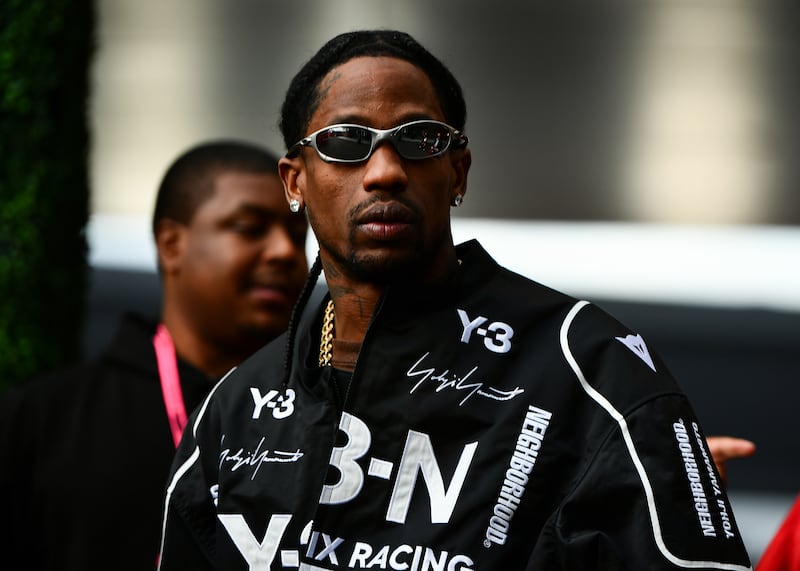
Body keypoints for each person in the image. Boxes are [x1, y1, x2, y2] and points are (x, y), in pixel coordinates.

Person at [158, 30, 753, 570]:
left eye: (419, 139)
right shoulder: (235, 409)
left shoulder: (591, 370)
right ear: (295, 181)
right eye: (346, 141)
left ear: (458, 171)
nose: (386, 171)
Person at [0, 140, 309, 570]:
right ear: (171, 244)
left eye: (298, 235)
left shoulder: (325, 420)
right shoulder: (43, 421)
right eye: (250, 228)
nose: (285, 252)